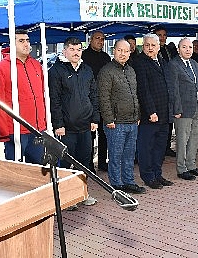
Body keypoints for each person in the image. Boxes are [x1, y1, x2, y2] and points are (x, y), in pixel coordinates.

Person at [48, 37, 99, 207]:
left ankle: (82, 194)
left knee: (84, 162)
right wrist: (58, 124)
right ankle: (68, 199)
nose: (76, 52)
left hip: (86, 126)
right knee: (67, 163)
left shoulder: (87, 70)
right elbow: (53, 100)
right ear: (65, 51)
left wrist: (95, 118)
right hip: (66, 128)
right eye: (72, 49)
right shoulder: (56, 72)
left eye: (78, 49)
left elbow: (94, 95)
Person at [0, 29, 46, 163]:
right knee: (18, 173)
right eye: (21, 41)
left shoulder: (36, 65)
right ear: (12, 44)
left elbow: (43, 95)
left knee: (40, 171)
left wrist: (44, 123)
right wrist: (4, 133)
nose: (26, 44)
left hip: (37, 129)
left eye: (27, 40)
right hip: (16, 131)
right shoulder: (0, 68)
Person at [97, 39, 145, 194]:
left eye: (126, 51)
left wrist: (137, 115)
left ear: (130, 52)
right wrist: (109, 119)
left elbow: (135, 95)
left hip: (132, 121)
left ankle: (129, 181)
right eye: (120, 50)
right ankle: (116, 185)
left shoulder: (131, 70)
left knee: (129, 155)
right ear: (114, 51)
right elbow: (103, 98)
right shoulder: (106, 71)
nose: (123, 54)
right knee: (116, 156)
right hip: (116, 123)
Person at [133, 33, 175, 188]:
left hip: (164, 114)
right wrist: (151, 112)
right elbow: (143, 90)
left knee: (160, 147)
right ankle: (148, 177)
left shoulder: (162, 61)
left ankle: (158, 174)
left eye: (153, 45)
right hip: (150, 115)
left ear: (158, 47)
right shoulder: (139, 62)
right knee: (146, 147)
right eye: (146, 45)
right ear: (142, 47)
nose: (150, 48)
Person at [169, 38, 198, 175]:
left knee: (195, 138)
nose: (188, 50)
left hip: (197, 107)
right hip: (183, 109)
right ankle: (181, 168)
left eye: (190, 47)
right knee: (182, 139)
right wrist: (177, 109)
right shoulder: (173, 65)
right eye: (184, 47)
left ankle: (191, 165)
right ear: (179, 49)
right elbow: (173, 89)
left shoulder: (194, 64)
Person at [82, 30, 111, 172]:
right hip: (89, 101)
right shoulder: (83, 57)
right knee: (90, 135)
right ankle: (88, 163)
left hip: (104, 101)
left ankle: (102, 162)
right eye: (97, 38)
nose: (100, 41)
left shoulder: (106, 57)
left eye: (102, 39)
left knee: (104, 134)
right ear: (90, 40)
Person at [154, 26, 177, 157]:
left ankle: (167, 146)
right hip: (159, 90)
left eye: (163, 35)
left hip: (170, 88)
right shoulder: (153, 51)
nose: (162, 37)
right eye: (159, 35)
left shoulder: (168, 50)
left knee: (169, 121)